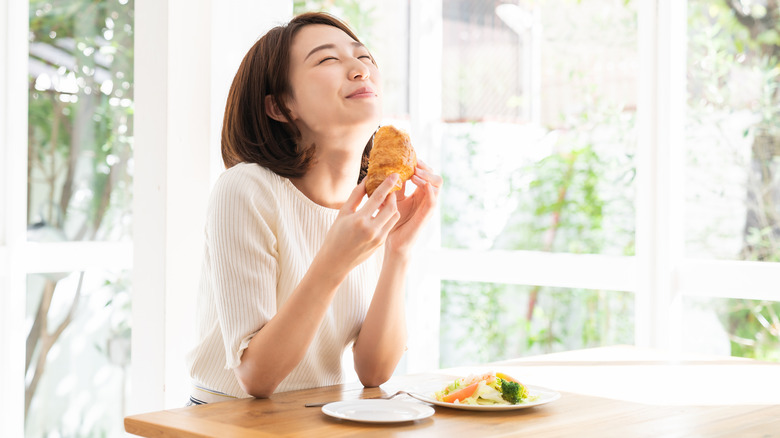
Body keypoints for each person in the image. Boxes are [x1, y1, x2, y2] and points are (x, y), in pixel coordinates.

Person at [185, 12, 442, 405]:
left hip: (320, 419)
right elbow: (255, 376)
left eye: (364, 57)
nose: (360, 70)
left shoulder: (369, 206)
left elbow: (374, 372)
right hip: (227, 422)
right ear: (281, 107)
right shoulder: (247, 189)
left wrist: (398, 251)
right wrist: (334, 260)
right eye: (328, 60)